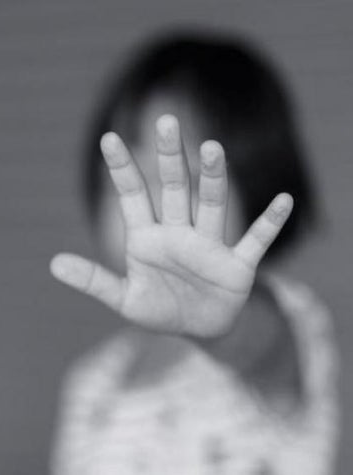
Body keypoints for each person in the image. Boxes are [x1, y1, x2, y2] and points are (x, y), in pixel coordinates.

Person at [48, 30, 340, 474]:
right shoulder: (93, 381)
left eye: (183, 177)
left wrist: (220, 328)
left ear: (260, 186)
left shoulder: (282, 329)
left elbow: (260, 347)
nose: (152, 200)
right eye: (127, 173)